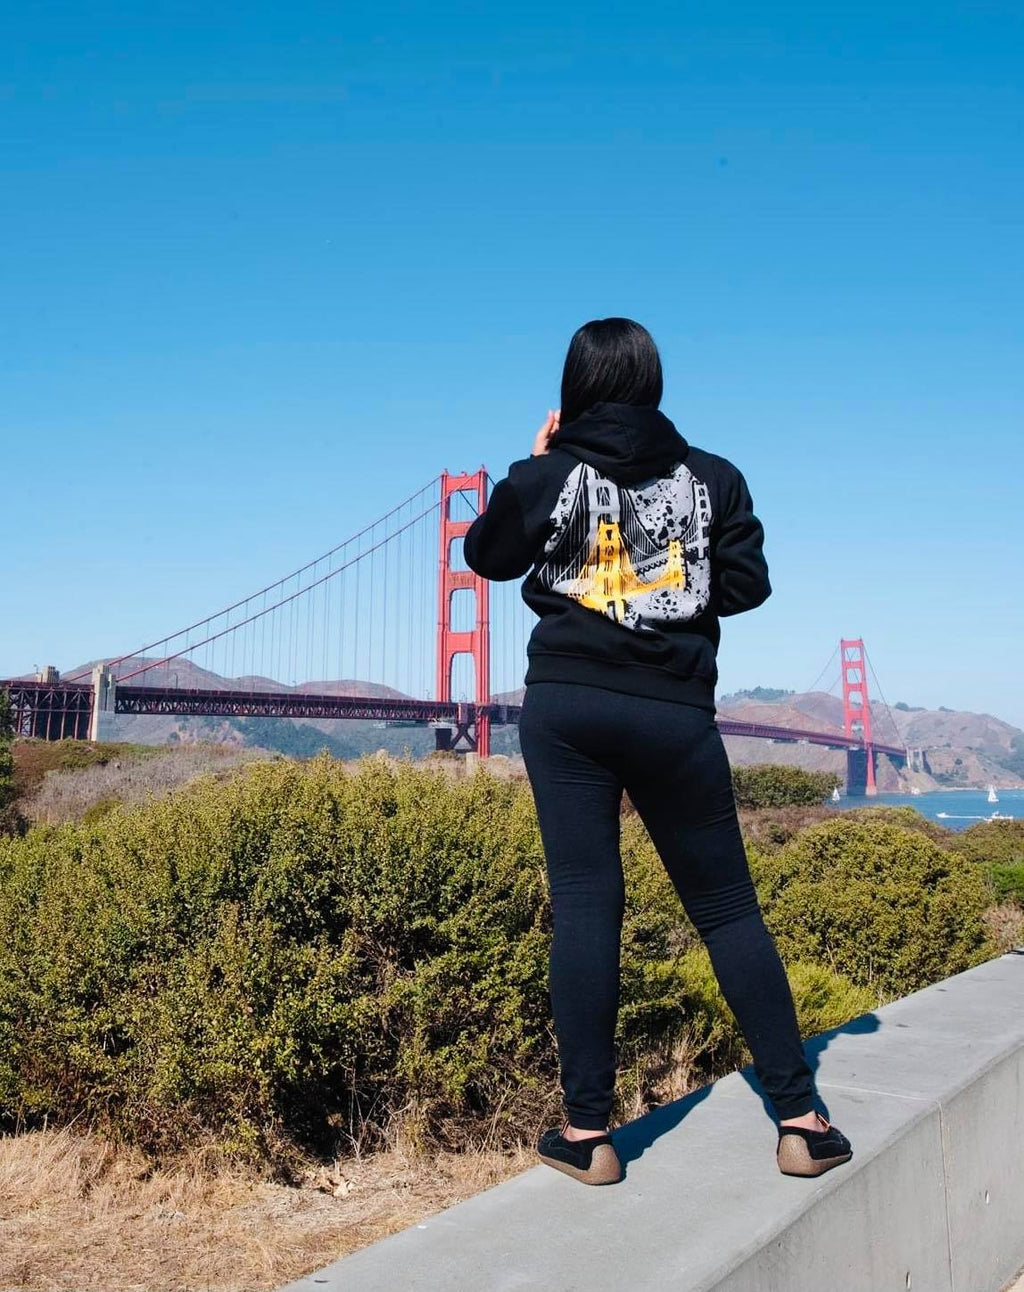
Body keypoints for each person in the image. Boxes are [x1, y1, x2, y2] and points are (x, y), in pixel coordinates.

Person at [462, 317, 853, 1186]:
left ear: (574, 388)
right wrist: (670, 575)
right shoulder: (714, 478)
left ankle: (588, 1135)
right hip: (674, 713)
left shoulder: (548, 474)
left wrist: (534, 465)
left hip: (565, 709)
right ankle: (801, 1119)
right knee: (726, 910)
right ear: (654, 383)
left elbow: (485, 556)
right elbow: (747, 584)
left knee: (587, 906)